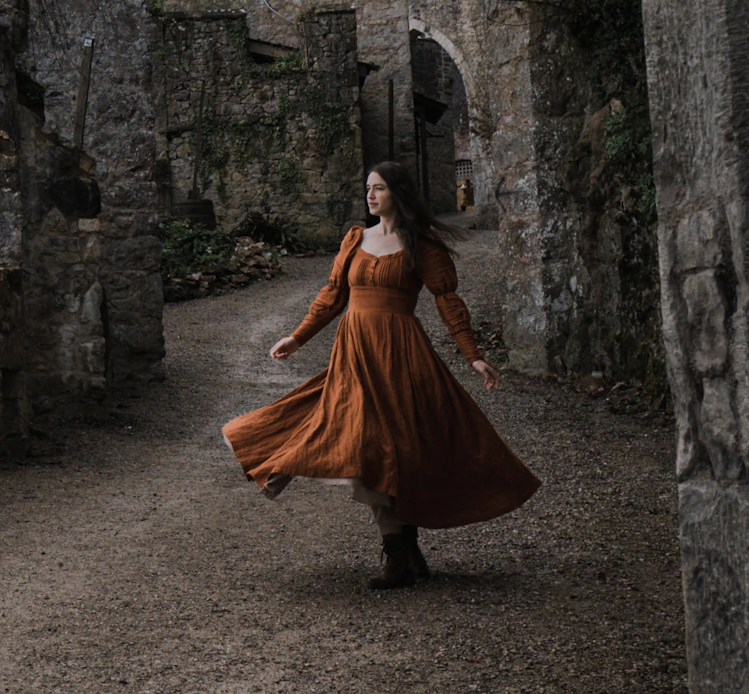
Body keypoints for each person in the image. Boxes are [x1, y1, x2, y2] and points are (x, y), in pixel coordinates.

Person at [222, 161, 539, 589]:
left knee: (401, 449)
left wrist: (473, 356)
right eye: (368, 189)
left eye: (380, 189)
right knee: (365, 445)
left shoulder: (421, 245)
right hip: (355, 356)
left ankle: (403, 548)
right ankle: (399, 550)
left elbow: (448, 302)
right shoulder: (356, 239)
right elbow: (332, 297)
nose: (370, 196)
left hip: (402, 355)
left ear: (399, 194)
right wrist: (297, 338)